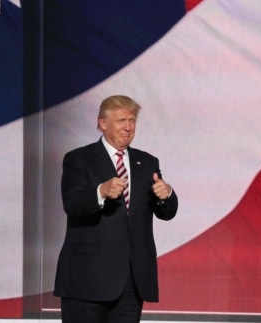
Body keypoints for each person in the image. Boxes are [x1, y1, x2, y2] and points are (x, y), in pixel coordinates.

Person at [54, 95, 179, 323]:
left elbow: (167, 213)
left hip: (131, 282)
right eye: (121, 121)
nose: (128, 128)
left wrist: (167, 194)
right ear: (103, 123)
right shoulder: (79, 159)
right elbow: (72, 204)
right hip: (87, 279)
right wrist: (100, 192)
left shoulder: (147, 162)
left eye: (132, 121)